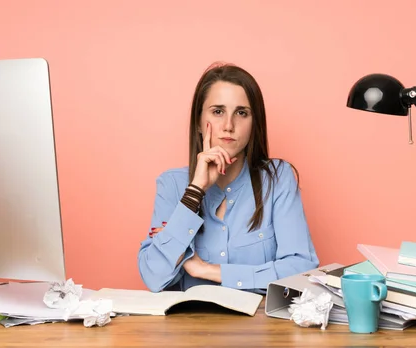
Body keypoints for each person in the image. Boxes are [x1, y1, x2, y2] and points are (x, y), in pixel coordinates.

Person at [137, 62, 319, 293]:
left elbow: (302, 269)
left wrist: (206, 270)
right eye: (218, 111)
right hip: (191, 327)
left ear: (254, 124)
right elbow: (154, 275)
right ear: (199, 123)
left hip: (261, 326)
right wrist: (195, 191)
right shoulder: (172, 184)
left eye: (241, 113)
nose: (228, 126)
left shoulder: (277, 178)